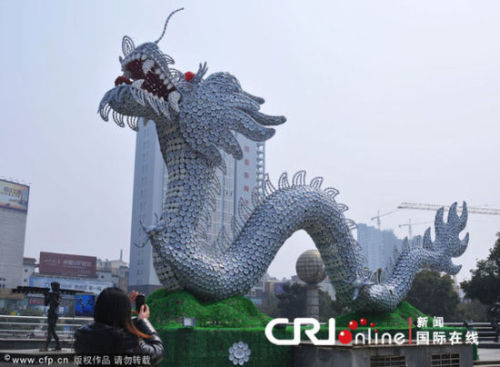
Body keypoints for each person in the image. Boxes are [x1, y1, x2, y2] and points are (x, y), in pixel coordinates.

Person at [74, 287, 164, 365]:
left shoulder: (82, 336)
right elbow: (157, 352)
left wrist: (121, 308)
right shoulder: (125, 340)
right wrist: (143, 320)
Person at [41, 282, 61, 351]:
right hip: (51, 314)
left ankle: (46, 347)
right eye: (52, 286)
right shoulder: (52, 295)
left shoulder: (57, 295)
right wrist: (46, 296)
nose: (52, 288)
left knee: (50, 331)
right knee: (52, 331)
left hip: (53, 315)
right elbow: (46, 304)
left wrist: (50, 296)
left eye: (53, 286)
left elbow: (56, 303)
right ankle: (58, 345)